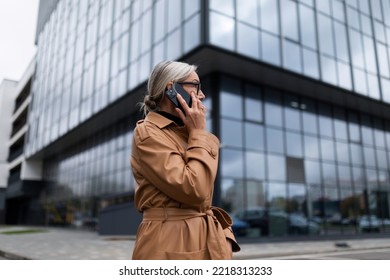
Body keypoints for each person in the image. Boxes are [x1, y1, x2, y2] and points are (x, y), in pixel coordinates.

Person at [130, 60, 240, 260]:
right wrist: (198, 133)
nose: (202, 95)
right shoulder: (148, 133)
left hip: (200, 237)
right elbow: (195, 189)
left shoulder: (185, 132)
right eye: (196, 85)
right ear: (172, 88)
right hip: (171, 241)